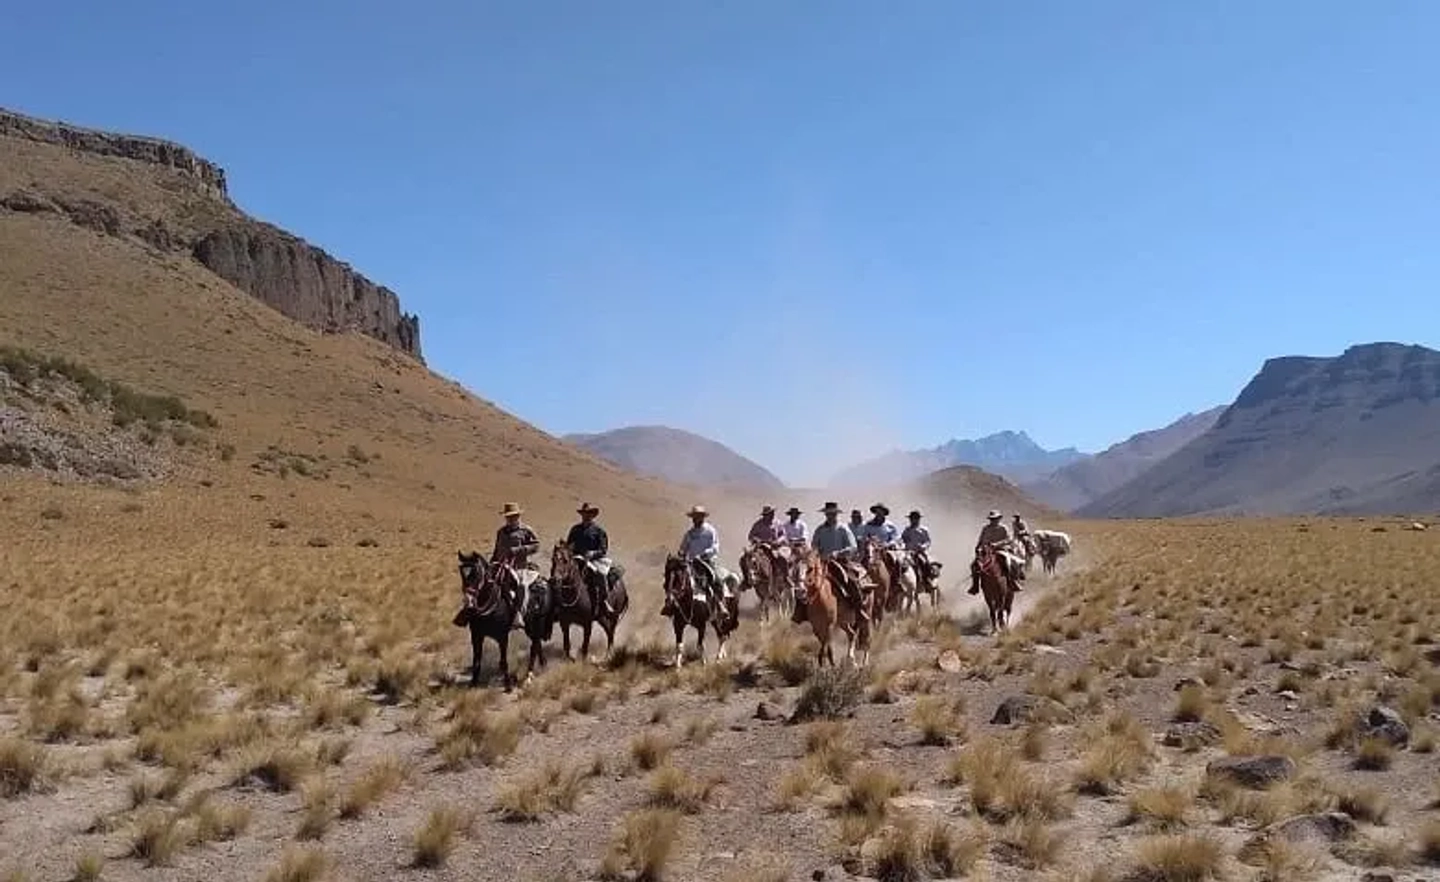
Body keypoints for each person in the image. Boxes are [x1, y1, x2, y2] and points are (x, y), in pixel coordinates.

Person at [810, 501, 870, 623]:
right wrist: (817, 552)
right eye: (828, 514)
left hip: (841, 562)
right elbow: (814, 545)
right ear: (825, 515)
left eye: (833, 514)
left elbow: (853, 547)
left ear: (837, 514)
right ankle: (802, 612)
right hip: (822, 562)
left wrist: (838, 553)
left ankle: (859, 610)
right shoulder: (820, 529)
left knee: (851, 582)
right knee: (806, 583)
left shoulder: (843, 529)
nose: (830, 516)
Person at [492, 502, 541, 628]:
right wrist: (492, 563)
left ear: (518, 516)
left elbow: (536, 546)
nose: (511, 519)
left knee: (523, 586)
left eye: (513, 516)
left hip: (519, 567)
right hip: (502, 566)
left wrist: (519, 550)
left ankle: (519, 614)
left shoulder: (526, 530)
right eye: (508, 517)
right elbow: (497, 550)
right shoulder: (501, 532)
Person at [565, 502, 616, 616]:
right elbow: (569, 545)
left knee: (601, 575)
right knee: (561, 574)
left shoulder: (599, 531)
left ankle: (604, 602)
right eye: (584, 514)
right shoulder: (575, 529)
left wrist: (592, 553)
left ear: (593, 515)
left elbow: (603, 549)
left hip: (594, 560)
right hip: (576, 558)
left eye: (588, 514)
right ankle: (558, 604)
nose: (586, 516)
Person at [677, 504, 726, 611]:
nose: (695, 519)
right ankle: (673, 605)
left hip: (707, 561)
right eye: (694, 517)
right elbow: (683, 547)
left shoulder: (710, 531)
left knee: (715, 580)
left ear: (703, 517)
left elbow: (715, 547)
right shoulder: (689, 533)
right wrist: (681, 553)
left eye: (698, 516)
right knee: (677, 579)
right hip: (691, 563)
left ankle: (720, 605)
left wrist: (704, 554)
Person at [969, 510, 1024, 595]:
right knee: (974, 565)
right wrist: (978, 547)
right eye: (992, 519)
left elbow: (1009, 539)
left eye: (995, 518)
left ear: (999, 518)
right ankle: (975, 586)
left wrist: (997, 544)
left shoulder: (1003, 528)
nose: (994, 520)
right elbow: (981, 539)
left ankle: (1013, 581)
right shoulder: (985, 528)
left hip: (1000, 550)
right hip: (986, 551)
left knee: (1008, 562)